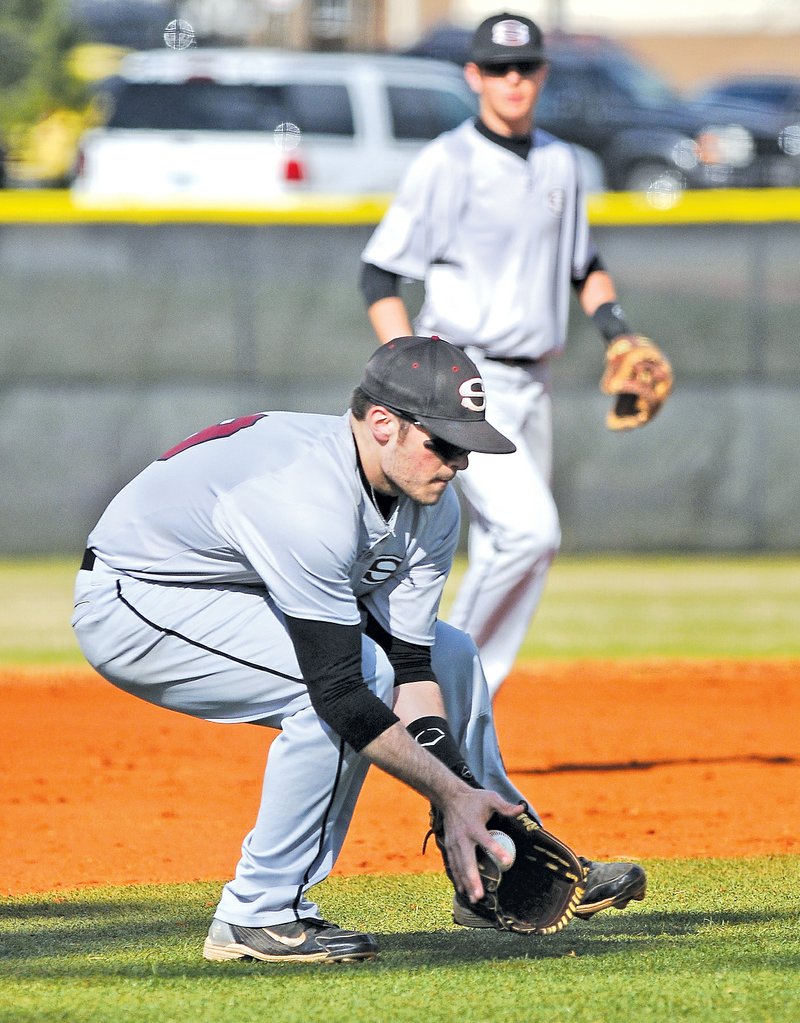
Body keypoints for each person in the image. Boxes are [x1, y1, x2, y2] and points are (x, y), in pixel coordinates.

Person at [72, 336, 645, 965]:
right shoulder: (305, 496)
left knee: (451, 653)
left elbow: (413, 666)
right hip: (140, 599)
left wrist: (457, 791)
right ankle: (259, 913)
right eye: (443, 443)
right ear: (382, 424)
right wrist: (450, 795)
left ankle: (493, 855)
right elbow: (342, 692)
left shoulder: (431, 503)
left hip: (237, 585)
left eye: (467, 445)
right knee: (347, 684)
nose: (458, 462)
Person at [360, 12, 666, 699]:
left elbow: (583, 263)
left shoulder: (562, 162)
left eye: (525, 67)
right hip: (463, 380)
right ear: (473, 76)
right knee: (532, 533)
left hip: (535, 382)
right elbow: (379, 275)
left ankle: (466, 711)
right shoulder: (448, 161)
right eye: (498, 68)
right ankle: (428, 681)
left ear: (542, 74)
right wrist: (413, 379)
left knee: (511, 550)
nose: (513, 80)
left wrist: (617, 331)